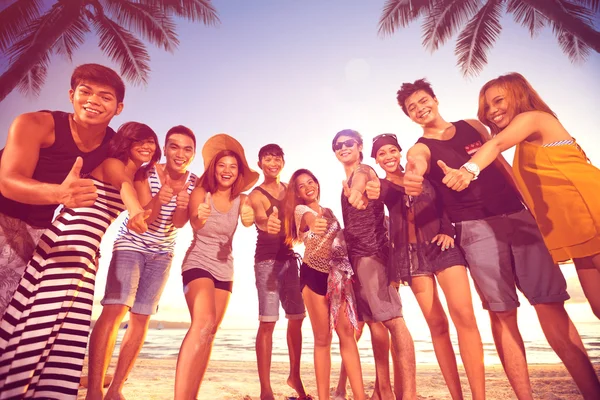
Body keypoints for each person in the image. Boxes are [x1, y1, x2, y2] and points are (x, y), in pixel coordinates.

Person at [397, 78, 600, 399]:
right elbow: (416, 161)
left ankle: (592, 392)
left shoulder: (473, 126)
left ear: (435, 99)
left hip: (519, 220)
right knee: (502, 312)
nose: (420, 109)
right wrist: (414, 172)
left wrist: (531, 209)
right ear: (410, 117)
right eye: (412, 108)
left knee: (551, 303)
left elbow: (502, 162)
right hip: (474, 230)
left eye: (423, 101)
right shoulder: (420, 147)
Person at [0, 122, 160, 399]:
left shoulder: (140, 177)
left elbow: (148, 211)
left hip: (87, 249)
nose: (146, 147)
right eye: (139, 141)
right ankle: (14, 386)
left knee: (68, 322)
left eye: (150, 142)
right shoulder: (113, 164)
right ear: (126, 143)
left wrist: (160, 198)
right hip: (68, 240)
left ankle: (48, 390)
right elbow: (124, 190)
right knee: (44, 315)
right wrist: (134, 211)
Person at [440, 72, 600, 322]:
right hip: (574, 227)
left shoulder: (535, 118)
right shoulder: (525, 146)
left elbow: (494, 145)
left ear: (519, 95)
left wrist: (467, 171)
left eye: (499, 101)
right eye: (487, 107)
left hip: (590, 210)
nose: (492, 111)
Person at [0, 63, 125, 320]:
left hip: (39, 228)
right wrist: (60, 194)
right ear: (71, 96)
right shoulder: (35, 123)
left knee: (21, 315)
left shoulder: (112, 146)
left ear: (118, 108)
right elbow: (8, 181)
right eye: (85, 92)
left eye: (105, 96)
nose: (93, 101)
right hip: (3, 214)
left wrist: (91, 245)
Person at [86, 125, 198, 400]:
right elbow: (143, 220)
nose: (180, 153)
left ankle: (116, 389)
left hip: (162, 254)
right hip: (131, 245)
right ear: (166, 148)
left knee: (142, 317)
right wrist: (162, 197)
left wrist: (182, 205)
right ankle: (93, 391)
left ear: (193, 154)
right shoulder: (144, 172)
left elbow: (180, 223)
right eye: (174, 146)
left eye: (187, 149)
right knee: (116, 309)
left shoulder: (194, 181)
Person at [370, 133, 485, 400]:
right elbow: (375, 190)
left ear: (400, 152)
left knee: (464, 316)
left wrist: (447, 231)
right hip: (411, 257)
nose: (388, 157)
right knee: (438, 326)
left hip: (442, 247)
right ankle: (457, 396)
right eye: (381, 154)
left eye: (391, 151)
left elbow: (445, 203)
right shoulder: (383, 187)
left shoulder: (421, 172)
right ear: (376, 159)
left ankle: (479, 396)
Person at [332, 129, 417, 400]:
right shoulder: (346, 180)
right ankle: (384, 391)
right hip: (357, 261)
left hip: (372, 256)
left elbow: (359, 184)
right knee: (375, 325)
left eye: (349, 143)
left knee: (393, 321)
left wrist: (356, 193)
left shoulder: (365, 170)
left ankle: (410, 395)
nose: (343, 148)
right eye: (338, 145)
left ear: (359, 147)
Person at [174, 134, 258, 400]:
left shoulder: (242, 199)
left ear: (239, 173)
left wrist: (250, 216)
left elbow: (249, 220)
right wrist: (199, 216)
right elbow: (195, 224)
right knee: (203, 322)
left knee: (210, 333)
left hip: (225, 270)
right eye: (222, 165)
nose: (227, 171)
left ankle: (191, 395)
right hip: (198, 263)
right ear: (214, 168)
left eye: (233, 167)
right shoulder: (201, 192)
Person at [283, 168, 366, 400]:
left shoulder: (329, 211)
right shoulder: (302, 210)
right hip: (312, 277)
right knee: (322, 340)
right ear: (297, 193)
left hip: (336, 277)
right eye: (301, 185)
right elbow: (310, 222)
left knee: (347, 335)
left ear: (317, 183)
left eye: (311, 182)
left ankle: (359, 396)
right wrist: (313, 226)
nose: (308, 187)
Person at [248, 144, 308, 400]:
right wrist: (266, 223)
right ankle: (265, 389)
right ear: (260, 163)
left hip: (290, 261)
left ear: (283, 162)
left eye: (277, 158)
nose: (272, 162)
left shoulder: (292, 190)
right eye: (267, 159)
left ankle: (294, 375)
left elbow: (307, 214)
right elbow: (260, 218)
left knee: (297, 317)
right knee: (268, 322)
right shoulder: (256, 194)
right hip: (267, 262)